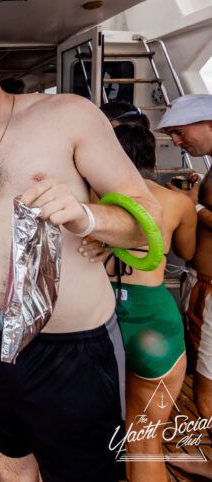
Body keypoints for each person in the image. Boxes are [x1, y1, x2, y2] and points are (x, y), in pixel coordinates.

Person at [0, 25, 161, 482]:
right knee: (11, 458)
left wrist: (87, 219)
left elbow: (146, 214)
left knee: (87, 472)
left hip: (74, 346)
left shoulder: (68, 115)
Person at [82, 123, 196, 482]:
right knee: (144, 443)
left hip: (100, 317)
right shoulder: (176, 202)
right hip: (154, 322)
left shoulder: (91, 200)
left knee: (90, 439)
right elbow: (187, 253)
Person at [157, 94, 212, 479]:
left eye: (179, 132)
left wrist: (190, 207)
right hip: (204, 286)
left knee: (207, 393)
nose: (177, 142)